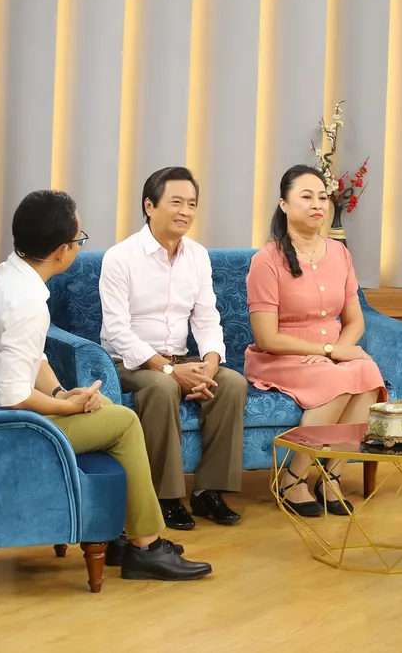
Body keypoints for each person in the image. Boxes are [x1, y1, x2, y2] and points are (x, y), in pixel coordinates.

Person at [0, 190, 211, 581]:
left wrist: (59, 393)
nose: (79, 246)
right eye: (79, 240)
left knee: (108, 412)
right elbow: (13, 396)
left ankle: (120, 535)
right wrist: (67, 408)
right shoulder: (26, 302)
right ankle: (145, 546)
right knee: (123, 422)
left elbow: (32, 359)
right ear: (61, 251)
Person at [99, 167, 246, 531]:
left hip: (181, 358)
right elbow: (117, 331)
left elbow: (207, 319)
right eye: (176, 202)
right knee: (163, 387)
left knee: (232, 384)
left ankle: (208, 491)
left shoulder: (197, 256)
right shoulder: (120, 258)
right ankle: (163, 497)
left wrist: (210, 363)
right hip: (129, 363)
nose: (185, 211)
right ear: (149, 206)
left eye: (192, 204)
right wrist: (167, 369)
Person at [244, 164, 387, 518]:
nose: (317, 205)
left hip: (329, 356)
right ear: (283, 204)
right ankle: (291, 479)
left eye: (322, 197)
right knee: (336, 379)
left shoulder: (340, 253)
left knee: (368, 374)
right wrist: (326, 352)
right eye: (306, 197)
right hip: (282, 356)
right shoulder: (267, 260)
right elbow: (267, 337)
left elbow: (354, 321)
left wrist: (337, 353)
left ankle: (330, 476)